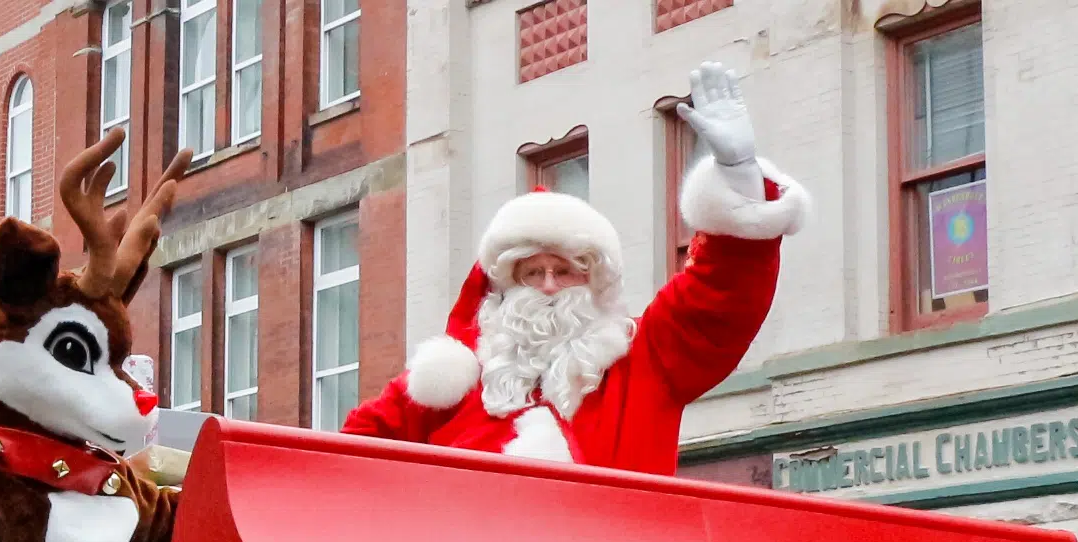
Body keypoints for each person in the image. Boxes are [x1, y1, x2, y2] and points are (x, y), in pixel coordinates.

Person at [339, 61, 810, 476]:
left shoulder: (646, 359)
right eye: (532, 273)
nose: (548, 287)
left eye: (564, 271)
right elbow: (349, 456)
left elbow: (718, 294)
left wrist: (739, 175)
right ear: (505, 285)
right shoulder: (449, 382)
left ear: (594, 279)